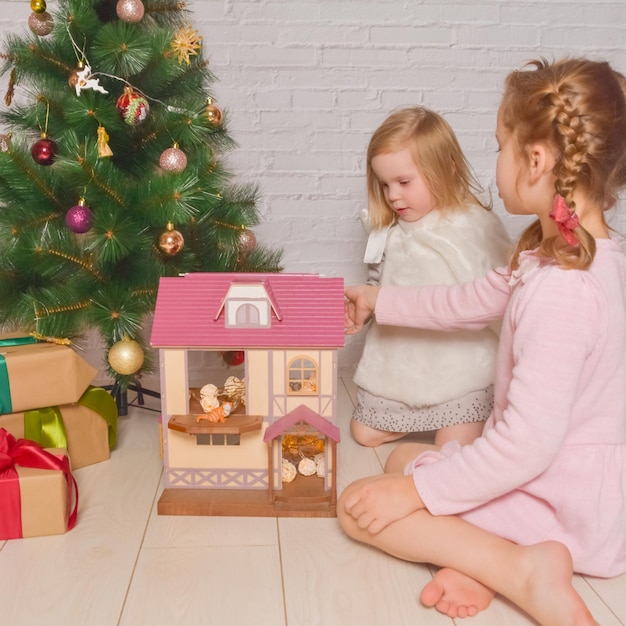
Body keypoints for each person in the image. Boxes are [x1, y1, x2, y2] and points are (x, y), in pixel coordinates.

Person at [339, 57, 626, 626]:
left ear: (537, 160)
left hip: (558, 501)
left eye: (501, 146)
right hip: (567, 482)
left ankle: (521, 570)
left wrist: (416, 497)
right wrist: (379, 300)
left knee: (360, 509)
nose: (493, 161)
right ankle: (482, 559)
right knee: (400, 458)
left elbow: (525, 446)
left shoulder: (563, 292)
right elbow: (467, 302)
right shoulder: (572, 253)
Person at [351, 107, 511, 448]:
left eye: (404, 183)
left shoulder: (469, 226)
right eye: (385, 185)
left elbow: (496, 301)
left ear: (445, 169)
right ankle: (420, 416)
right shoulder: (391, 231)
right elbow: (383, 286)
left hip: (460, 368)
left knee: (452, 449)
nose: (393, 195)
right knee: (363, 435)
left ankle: (468, 419)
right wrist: (366, 307)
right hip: (404, 360)